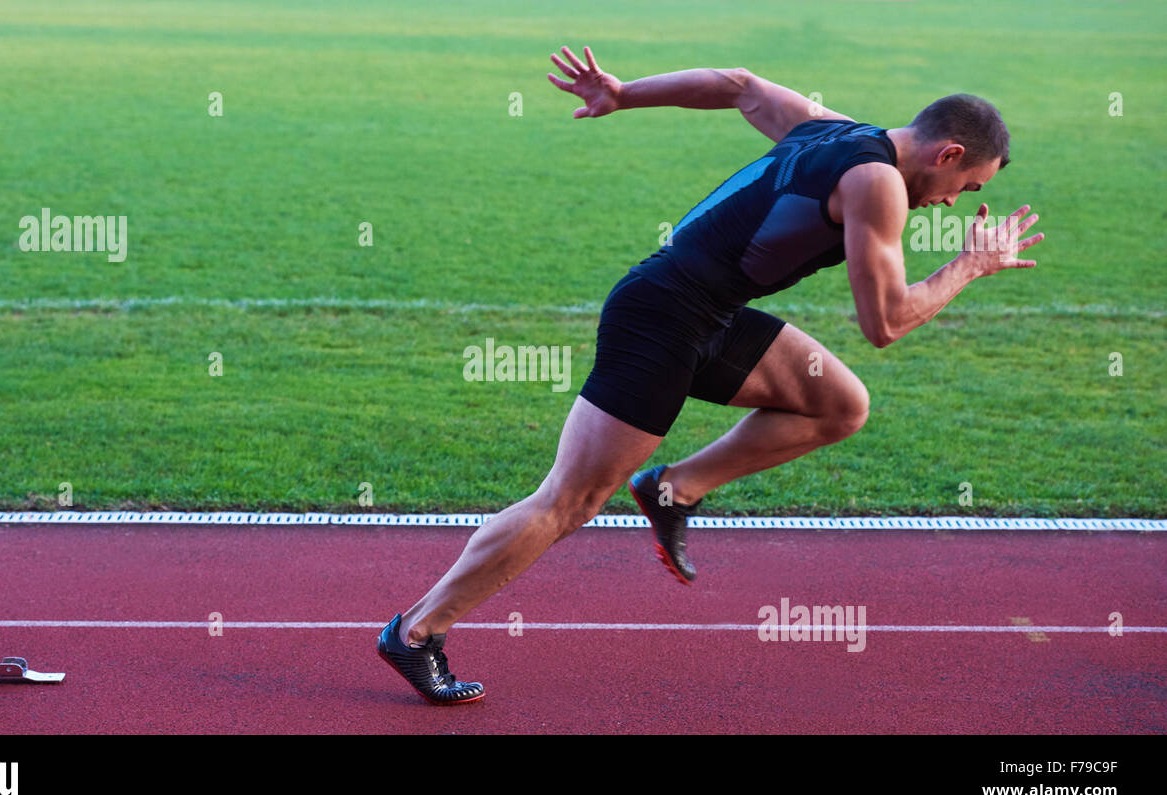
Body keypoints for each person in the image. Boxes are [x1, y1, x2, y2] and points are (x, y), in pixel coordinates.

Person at [377, 46, 1043, 705]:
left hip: (710, 313)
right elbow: (887, 322)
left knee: (840, 404)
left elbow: (739, 83)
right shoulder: (877, 184)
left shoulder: (840, 131)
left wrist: (623, 93)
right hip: (662, 318)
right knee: (568, 500)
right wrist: (969, 267)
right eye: (969, 187)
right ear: (948, 153)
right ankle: (416, 631)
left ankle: (673, 490)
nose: (956, 203)